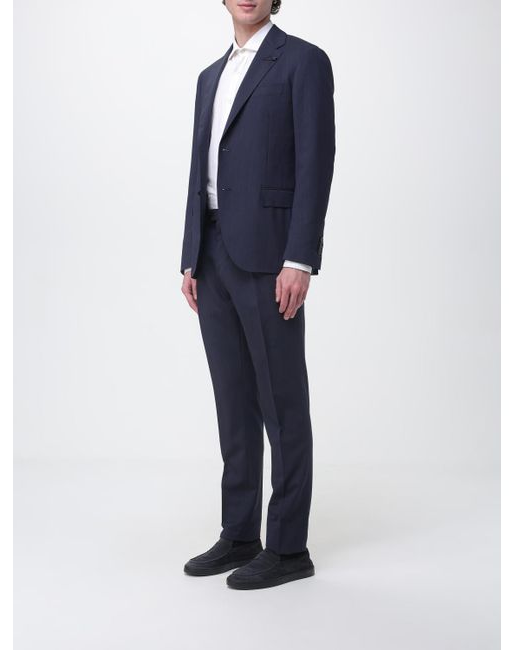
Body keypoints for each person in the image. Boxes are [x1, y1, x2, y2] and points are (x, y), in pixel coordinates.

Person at [180, 0, 335, 589]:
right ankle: (240, 532)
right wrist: (191, 254)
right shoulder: (209, 76)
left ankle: (289, 547)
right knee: (233, 401)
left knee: (281, 402)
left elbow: (316, 162)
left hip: (270, 256)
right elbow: (200, 169)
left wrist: (299, 258)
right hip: (213, 254)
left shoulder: (303, 62)